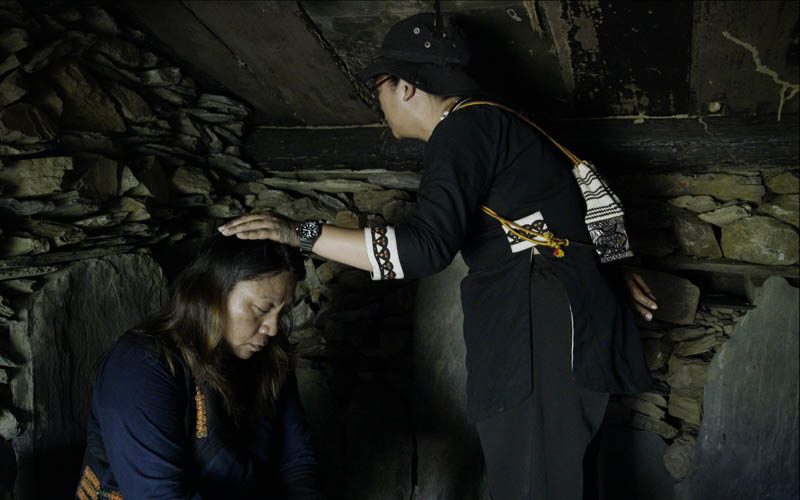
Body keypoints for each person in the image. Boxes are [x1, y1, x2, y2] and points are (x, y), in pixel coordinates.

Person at [218, 11, 657, 500]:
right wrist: (609, 266)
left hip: (536, 324)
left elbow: (425, 249)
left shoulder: (464, 128)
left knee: (534, 482)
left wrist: (299, 233)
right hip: (555, 321)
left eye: (379, 87)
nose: (378, 100)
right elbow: (587, 197)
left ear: (405, 87)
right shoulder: (496, 121)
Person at [75, 236, 325, 500]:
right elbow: (159, 496)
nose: (273, 328)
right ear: (212, 294)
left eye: (281, 313)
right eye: (262, 309)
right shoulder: (141, 367)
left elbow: (296, 462)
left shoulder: (271, 357)